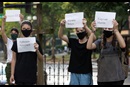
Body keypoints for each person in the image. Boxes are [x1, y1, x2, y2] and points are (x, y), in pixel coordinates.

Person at [87, 19, 126, 85]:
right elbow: (89, 47)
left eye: (109, 28)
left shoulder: (117, 42)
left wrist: (116, 30)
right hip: (103, 78)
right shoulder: (100, 42)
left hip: (117, 78)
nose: (107, 29)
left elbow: (123, 45)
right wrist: (92, 31)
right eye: (105, 28)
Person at [58, 18, 96, 85]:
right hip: (74, 71)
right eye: (77, 31)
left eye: (81, 30)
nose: (79, 32)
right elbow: (61, 36)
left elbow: (93, 37)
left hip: (85, 72)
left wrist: (85, 26)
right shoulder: (73, 42)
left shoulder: (89, 43)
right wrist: (61, 26)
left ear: (85, 31)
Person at [10, 20, 43, 85]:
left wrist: (37, 50)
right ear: (21, 30)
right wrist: (12, 74)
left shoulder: (36, 42)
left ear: (31, 30)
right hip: (19, 74)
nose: (26, 30)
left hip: (31, 74)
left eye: (28, 29)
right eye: (24, 29)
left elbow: (41, 59)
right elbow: (14, 59)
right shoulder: (17, 42)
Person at [0, 14, 23, 85]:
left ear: (18, 34)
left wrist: (21, 22)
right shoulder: (8, 41)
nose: (14, 34)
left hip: (19, 65)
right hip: (10, 65)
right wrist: (3, 22)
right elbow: (2, 33)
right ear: (10, 34)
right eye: (12, 33)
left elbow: (24, 33)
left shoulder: (20, 41)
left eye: (15, 33)